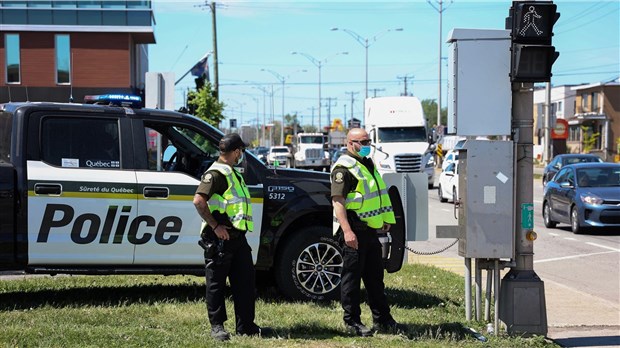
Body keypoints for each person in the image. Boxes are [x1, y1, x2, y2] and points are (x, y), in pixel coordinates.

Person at [193, 133, 271, 341]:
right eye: (241, 152)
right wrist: (216, 226)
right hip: (219, 238)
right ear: (236, 151)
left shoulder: (231, 173)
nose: (242, 156)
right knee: (216, 284)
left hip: (237, 238)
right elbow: (199, 201)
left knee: (245, 283)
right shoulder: (216, 174)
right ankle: (217, 326)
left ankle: (246, 326)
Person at [331, 128, 404, 337]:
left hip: (370, 231)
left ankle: (383, 320)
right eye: (361, 142)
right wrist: (347, 231)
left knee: (375, 279)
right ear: (349, 143)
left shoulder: (367, 163)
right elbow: (338, 202)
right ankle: (352, 322)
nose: (365, 145)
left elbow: (377, 196)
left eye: (368, 141)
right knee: (351, 280)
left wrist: (384, 220)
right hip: (354, 232)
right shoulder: (343, 168)